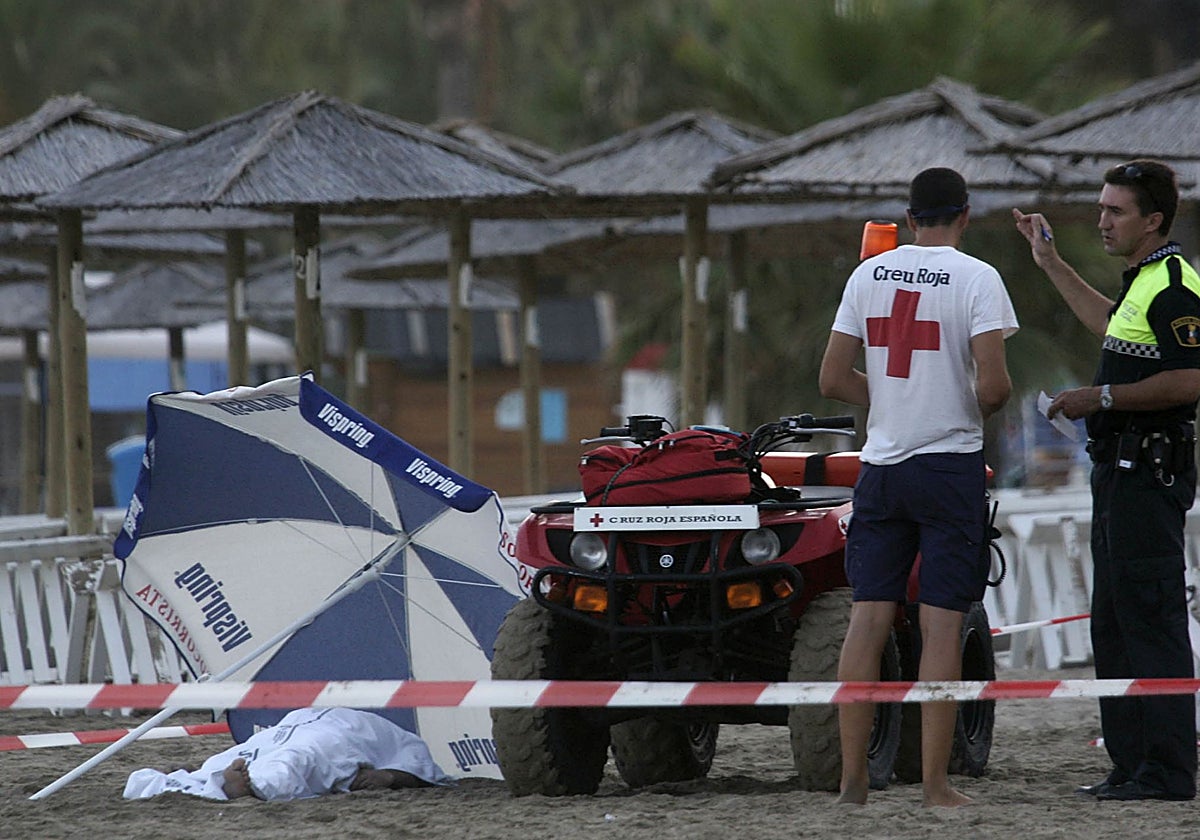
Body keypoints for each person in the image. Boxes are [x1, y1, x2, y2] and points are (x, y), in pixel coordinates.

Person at [819, 167, 1017, 807]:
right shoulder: (978, 278)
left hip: (881, 467)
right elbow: (994, 387)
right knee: (940, 627)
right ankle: (935, 784)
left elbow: (830, 377)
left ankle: (852, 783)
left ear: (908, 220)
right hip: (947, 466)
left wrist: (894, 400)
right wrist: (952, 405)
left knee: (868, 620)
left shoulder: (866, 274)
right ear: (965, 215)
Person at [1013, 159, 1200, 803]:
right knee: (1115, 620)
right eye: (1101, 208)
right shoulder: (1142, 281)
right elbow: (1108, 324)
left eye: (1115, 211)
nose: (1102, 221)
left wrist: (1103, 399)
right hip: (1118, 469)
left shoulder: (1176, 284)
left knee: (1150, 616)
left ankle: (1170, 770)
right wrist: (1051, 263)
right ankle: (1130, 763)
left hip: (1150, 468)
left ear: (1153, 220)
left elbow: (1189, 380)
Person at [123, 707, 450, 801]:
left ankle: (245, 785)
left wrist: (390, 777)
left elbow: (427, 769)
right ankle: (207, 777)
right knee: (243, 757)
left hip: (334, 738)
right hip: (291, 726)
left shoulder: (394, 735)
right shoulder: (322, 711)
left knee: (296, 760)